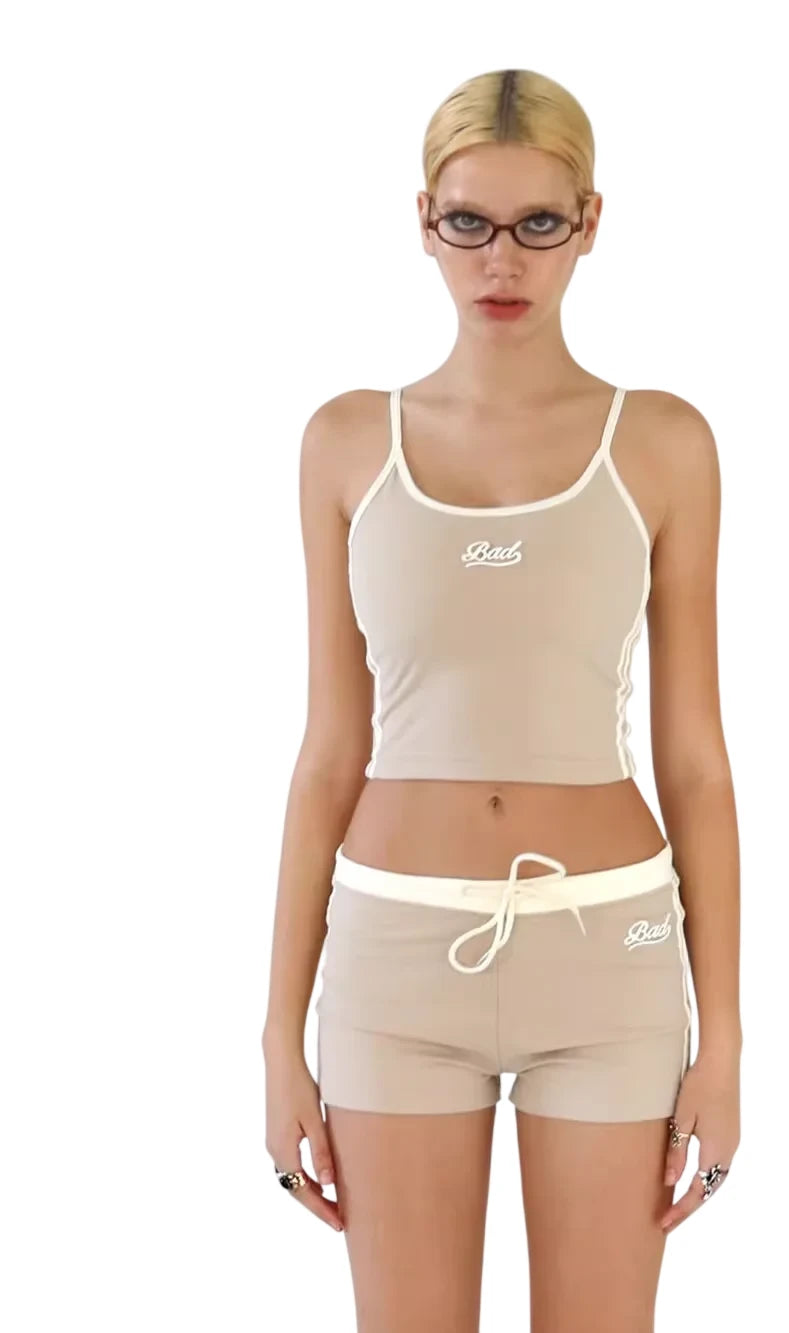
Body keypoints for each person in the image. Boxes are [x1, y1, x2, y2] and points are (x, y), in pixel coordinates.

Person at [262, 66, 741, 1332]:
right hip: (394, 962)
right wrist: (275, 1037)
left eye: (538, 222)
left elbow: (696, 760)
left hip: (610, 958)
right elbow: (327, 752)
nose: (501, 259)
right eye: (469, 221)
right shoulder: (345, 442)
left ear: (590, 224)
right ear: (424, 220)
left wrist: (726, 1039)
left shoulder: (663, 443)